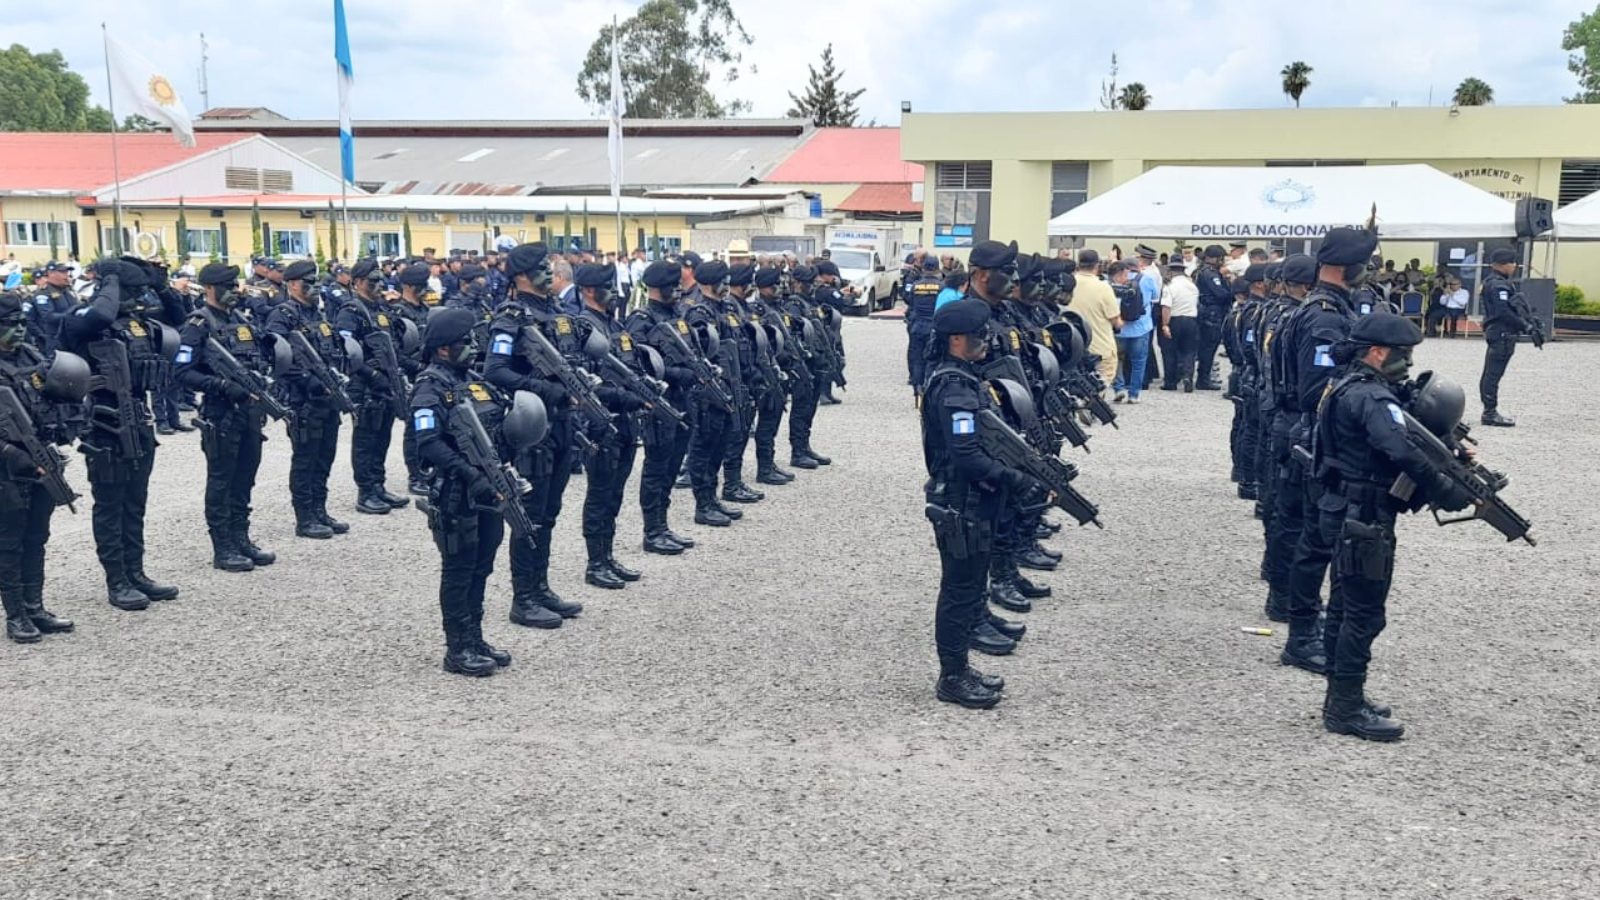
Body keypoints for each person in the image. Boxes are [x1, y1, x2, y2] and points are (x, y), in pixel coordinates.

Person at [1312, 312, 1475, 740]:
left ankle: (1341, 696)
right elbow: (1400, 449)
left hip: (1345, 509)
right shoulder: (1371, 397)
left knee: (1345, 607)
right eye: (1403, 356)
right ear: (1378, 352)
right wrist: (1444, 486)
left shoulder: (1348, 384)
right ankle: (1345, 708)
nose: (1407, 364)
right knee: (1364, 614)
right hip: (1363, 517)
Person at [920, 297, 1036, 710]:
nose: (985, 341)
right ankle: (951, 676)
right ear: (956, 340)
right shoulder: (953, 388)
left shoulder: (964, 378)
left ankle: (961, 668)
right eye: (977, 335)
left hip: (973, 502)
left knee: (969, 588)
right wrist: (1016, 479)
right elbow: (966, 455)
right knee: (959, 589)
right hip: (960, 504)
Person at [1271, 226, 1377, 672]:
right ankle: (1301, 635)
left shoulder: (1325, 307)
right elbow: (1320, 390)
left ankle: (1306, 628)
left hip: (1306, 431)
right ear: (1347, 266)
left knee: (1310, 536)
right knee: (1314, 541)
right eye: (1364, 262)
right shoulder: (1326, 318)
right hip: (1311, 435)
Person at [57, 259, 185, 610]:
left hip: (137, 421)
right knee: (111, 505)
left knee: (135, 503)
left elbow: (179, 318)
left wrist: (160, 285)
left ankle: (136, 572)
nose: (136, 297)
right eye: (130, 291)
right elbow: (99, 315)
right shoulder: (81, 321)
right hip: (104, 426)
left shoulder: (136, 323)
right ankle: (117, 580)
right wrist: (111, 280)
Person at [411, 307, 524, 676]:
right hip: (458, 493)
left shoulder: (475, 381)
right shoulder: (430, 387)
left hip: (489, 490)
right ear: (443, 349)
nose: (473, 347)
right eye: (464, 342)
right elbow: (427, 442)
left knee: (482, 566)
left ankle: (475, 637)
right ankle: (457, 647)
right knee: (459, 569)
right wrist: (468, 474)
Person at [485, 242, 583, 628]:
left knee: (551, 512)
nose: (550, 272)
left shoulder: (553, 312)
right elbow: (495, 371)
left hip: (560, 424)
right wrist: (545, 390)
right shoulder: (510, 317)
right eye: (543, 267)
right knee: (532, 515)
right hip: (532, 430)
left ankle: (540, 587)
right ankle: (523, 598)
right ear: (522, 275)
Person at [174, 263, 278, 574]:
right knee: (222, 481)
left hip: (249, 413)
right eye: (227, 286)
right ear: (208, 288)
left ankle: (241, 537)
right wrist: (220, 385)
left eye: (235, 285)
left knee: (245, 478)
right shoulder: (197, 325)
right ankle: (223, 547)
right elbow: (181, 372)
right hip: (221, 415)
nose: (234, 291)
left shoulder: (239, 320)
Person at [1, 290, 86, 642]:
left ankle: (35, 607)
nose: (19, 330)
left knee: (37, 538)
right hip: (8, 468)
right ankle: (16, 615)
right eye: (9, 324)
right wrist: (17, 457)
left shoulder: (32, 356)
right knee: (9, 544)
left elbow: (57, 398)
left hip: (41, 462)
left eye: (22, 322)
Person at [573, 262, 646, 590]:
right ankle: (595, 562)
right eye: (606, 286)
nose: (613, 292)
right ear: (589, 290)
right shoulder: (583, 328)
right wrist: (624, 397)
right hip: (600, 423)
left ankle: (608, 555)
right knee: (600, 493)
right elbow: (584, 383)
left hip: (626, 424)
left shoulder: (614, 325)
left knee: (615, 493)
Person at [265, 259, 350, 540]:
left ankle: (320, 509)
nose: (314, 288)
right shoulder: (283, 315)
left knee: (325, 456)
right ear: (291, 284)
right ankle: (305, 517)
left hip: (326, 399)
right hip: (302, 400)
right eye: (307, 283)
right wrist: (308, 381)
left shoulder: (318, 316)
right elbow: (278, 357)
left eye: (316, 282)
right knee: (306, 459)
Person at [625, 259, 702, 554]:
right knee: (656, 468)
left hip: (683, 400)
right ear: (657, 288)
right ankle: (652, 530)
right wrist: (674, 375)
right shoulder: (641, 321)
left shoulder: (678, 316)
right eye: (673, 286)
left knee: (671, 466)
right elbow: (638, 367)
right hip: (659, 403)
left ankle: (663, 524)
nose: (679, 291)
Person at [1478, 248, 1540, 427]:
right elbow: (1503, 312)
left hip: (1500, 332)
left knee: (1491, 373)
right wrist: (1525, 326)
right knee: (1493, 373)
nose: (1514, 266)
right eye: (1512, 263)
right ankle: (1489, 412)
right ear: (1502, 265)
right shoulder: (1498, 285)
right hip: (1502, 333)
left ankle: (1489, 410)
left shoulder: (1495, 282)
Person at [747, 266, 797, 486]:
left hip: (780, 370)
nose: (778, 289)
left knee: (774, 418)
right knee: (766, 421)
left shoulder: (779, 307)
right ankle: (764, 468)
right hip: (765, 372)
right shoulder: (756, 310)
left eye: (779, 284)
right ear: (762, 287)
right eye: (773, 285)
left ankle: (769, 462)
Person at [1068, 249, 1122, 389]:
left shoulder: (1069, 284)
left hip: (1073, 348)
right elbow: (1115, 320)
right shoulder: (1103, 288)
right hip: (1100, 348)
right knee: (1098, 391)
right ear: (1097, 265)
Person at [1112, 259, 1153, 404]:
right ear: (1138, 267)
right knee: (1139, 362)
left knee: (1117, 360)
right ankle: (1134, 394)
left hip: (1119, 328)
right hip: (1141, 328)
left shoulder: (1113, 280)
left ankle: (1118, 389)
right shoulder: (1147, 279)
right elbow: (1155, 297)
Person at [1193, 245, 1233, 390]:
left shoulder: (1200, 271)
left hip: (1207, 313)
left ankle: (1203, 377)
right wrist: (1229, 283)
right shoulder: (1210, 274)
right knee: (1208, 348)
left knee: (1206, 348)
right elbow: (1222, 294)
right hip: (1212, 314)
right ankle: (1203, 379)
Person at [1159, 257, 1199, 391]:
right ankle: (1188, 377)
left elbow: (1166, 307)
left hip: (1175, 320)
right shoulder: (1192, 285)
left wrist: (1165, 325)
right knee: (1189, 351)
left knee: (1170, 351)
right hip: (1191, 320)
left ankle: (1170, 382)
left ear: (1171, 271)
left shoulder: (1169, 286)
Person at [904, 255, 942, 400]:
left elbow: (909, 301)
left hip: (917, 326)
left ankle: (916, 387)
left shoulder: (916, 286)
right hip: (933, 326)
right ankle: (928, 387)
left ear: (924, 268)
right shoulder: (941, 286)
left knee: (917, 358)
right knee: (932, 359)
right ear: (937, 268)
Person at [24, 261, 75, 353]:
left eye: (67, 272)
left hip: (70, 339)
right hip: (55, 341)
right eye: (63, 272)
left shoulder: (67, 292)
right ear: (51, 274)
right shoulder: (43, 294)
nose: (67, 275)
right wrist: (72, 316)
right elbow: (48, 316)